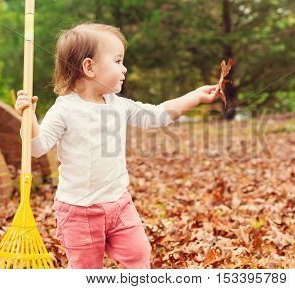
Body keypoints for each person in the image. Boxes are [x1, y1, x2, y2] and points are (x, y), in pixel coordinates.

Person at [14, 22, 220, 269]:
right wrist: (30, 119)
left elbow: (157, 115)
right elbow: (37, 148)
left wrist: (195, 96)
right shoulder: (65, 109)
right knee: (86, 271)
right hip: (79, 213)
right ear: (89, 67)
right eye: (118, 61)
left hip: (119, 205)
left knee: (139, 254)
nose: (124, 69)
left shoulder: (117, 105)